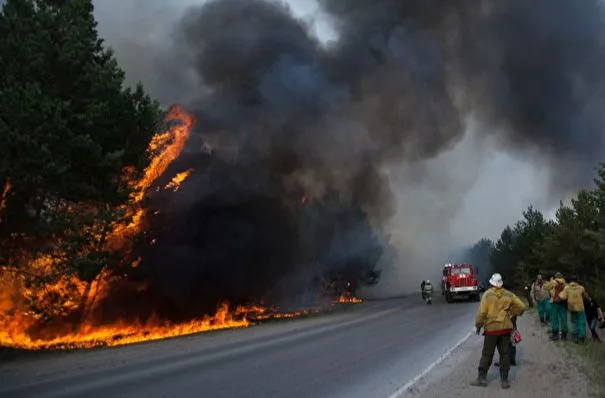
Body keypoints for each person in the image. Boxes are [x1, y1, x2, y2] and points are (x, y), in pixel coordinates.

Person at [471, 273, 526, 389]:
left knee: (487, 354)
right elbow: (522, 307)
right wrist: (513, 313)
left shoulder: (487, 295)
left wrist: (478, 326)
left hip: (491, 330)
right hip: (505, 329)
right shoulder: (509, 294)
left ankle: (482, 379)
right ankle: (505, 381)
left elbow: (482, 314)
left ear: (492, 283)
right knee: (505, 354)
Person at [558, 276, 590, 343]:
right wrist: (589, 299)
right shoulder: (581, 288)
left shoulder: (567, 288)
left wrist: (559, 294)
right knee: (581, 322)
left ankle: (575, 337)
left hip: (572, 308)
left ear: (570, 281)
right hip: (580, 308)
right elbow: (586, 296)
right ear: (577, 280)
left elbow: (562, 297)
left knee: (574, 322)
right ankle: (581, 337)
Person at [548, 272, 568, 341]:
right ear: (561, 276)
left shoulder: (553, 282)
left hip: (554, 303)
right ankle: (564, 336)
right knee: (563, 319)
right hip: (563, 303)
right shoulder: (565, 283)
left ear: (555, 276)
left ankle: (555, 335)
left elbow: (547, 287)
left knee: (554, 319)